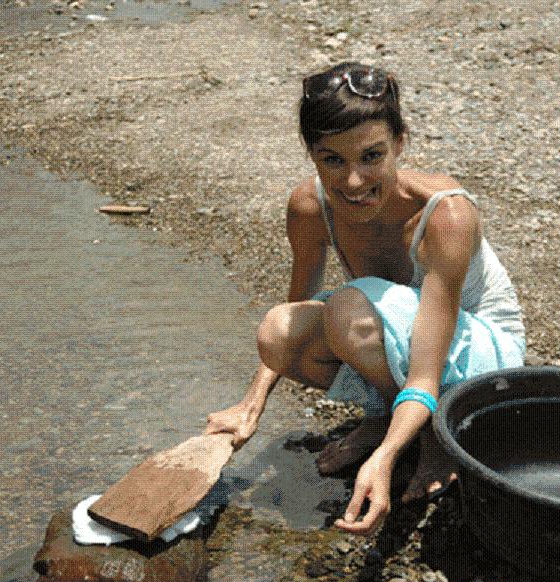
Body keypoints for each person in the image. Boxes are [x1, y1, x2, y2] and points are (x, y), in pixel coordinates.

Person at [205, 62, 525, 536]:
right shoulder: (309, 207)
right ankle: (389, 420)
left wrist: (386, 458)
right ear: (312, 155)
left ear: (400, 143)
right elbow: (294, 315)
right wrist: (250, 405)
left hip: (480, 359)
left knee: (347, 311)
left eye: (371, 156)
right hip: (392, 334)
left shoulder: (447, 216)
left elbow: (425, 369)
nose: (354, 182)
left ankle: (436, 438)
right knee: (277, 333)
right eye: (333, 160)